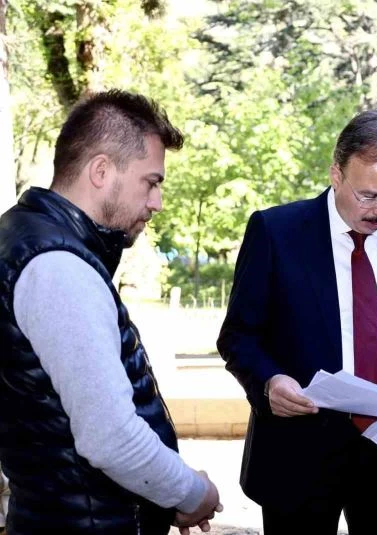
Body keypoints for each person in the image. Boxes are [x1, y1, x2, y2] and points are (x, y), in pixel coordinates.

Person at [217, 108, 377, 535]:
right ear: (336, 174)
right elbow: (238, 337)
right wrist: (270, 382)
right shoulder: (276, 232)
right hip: (299, 458)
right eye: (369, 196)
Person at [0, 90, 222, 535]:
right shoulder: (58, 266)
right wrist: (194, 493)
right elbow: (111, 439)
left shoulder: (28, 236)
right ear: (101, 171)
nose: (156, 202)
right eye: (151, 182)